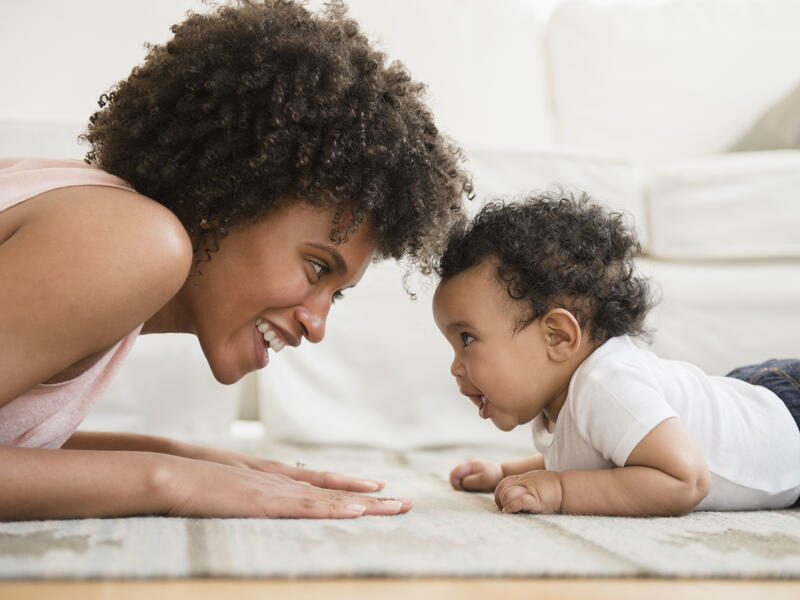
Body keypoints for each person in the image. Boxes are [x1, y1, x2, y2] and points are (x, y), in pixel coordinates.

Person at [0, 0, 469, 520]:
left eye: (335, 294)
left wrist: (184, 458)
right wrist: (170, 482)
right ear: (223, 199)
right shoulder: (131, 242)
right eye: (317, 268)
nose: (317, 326)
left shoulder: (95, 221)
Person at [432, 192, 800, 516]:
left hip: (787, 414)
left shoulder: (606, 384)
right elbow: (596, 457)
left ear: (558, 337)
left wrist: (560, 490)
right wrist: (507, 472)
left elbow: (686, 479)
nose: (454, 368)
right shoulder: (567, 401)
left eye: (466, 339)